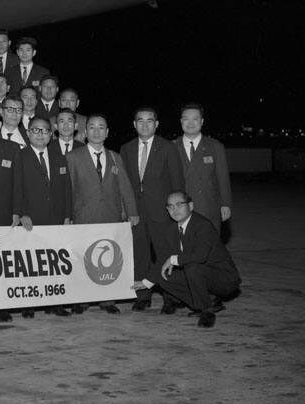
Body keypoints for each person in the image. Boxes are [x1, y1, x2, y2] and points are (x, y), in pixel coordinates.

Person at [66, 114, 138, 314]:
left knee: (108, 258)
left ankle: (108, 299)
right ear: (85, 132)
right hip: (83, 218)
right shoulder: (72, 158)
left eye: (101, 128)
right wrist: (68, 216)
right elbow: (68, 190)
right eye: (92, 127)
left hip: (110, 217)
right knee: (82, 259)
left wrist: (132, 212)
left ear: (107, 133)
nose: (96, 131)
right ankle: (81, 300)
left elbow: (125, 187)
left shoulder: (115, 157)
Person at [135, 192, 241, 328]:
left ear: (190, 206)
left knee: (192, 267)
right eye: (170, 206)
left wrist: (174, 259)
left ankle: (207, 312)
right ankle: (208, 302)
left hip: (224, 278)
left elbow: (200, 256)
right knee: (163, 276)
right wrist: (146, 282)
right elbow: (162, 259)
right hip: (199, 275)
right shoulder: (171, 229)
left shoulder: (203, 225)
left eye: (179, 205)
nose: (175, 209)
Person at [120, 107, 184, 311]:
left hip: (162, 213)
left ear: (156, 124)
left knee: (165, 254)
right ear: (134, 124)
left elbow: (177, 182)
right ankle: (142, 296)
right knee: (139, 255)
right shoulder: (126, 148)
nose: (145, 124)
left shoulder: (167, 148)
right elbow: (124, 184)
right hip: (136, 213)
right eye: (140, 121)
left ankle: (171, 298)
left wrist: (177, 211)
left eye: (150, 121)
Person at [14, 117, 72, 317]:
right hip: (30, 219)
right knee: (30, 263)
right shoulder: (19, 157)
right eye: (35, 130)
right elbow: (16, 188)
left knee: (52, 263)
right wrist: (22, 213)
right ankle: (28, 305)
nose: (40, 134)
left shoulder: (59, 157)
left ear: (51, 134)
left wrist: (67, 216)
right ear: (28, 133)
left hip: (55, 219)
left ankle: (53, 303)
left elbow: (66, 190)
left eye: (44, 130)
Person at [176, 103, 232, 233]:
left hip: (208, 207)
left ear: (202, 121)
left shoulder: (215, 147)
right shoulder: (171, 147)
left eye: (195, 119)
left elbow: (222, 178)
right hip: (180, 209)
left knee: (209, 248)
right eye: (186, 119)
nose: (190, 123)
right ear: (181, 121)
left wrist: (226, 204)